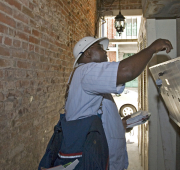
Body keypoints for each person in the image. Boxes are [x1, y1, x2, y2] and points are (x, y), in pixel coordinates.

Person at [65, 36, 173, 170]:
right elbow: (126, 71)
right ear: (87, 53)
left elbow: (95, 113)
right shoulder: (87, 72)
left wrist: (119, 124)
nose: (105, 51)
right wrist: (151, 49)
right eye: (100, 48)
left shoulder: (87, 77)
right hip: (97, 160)